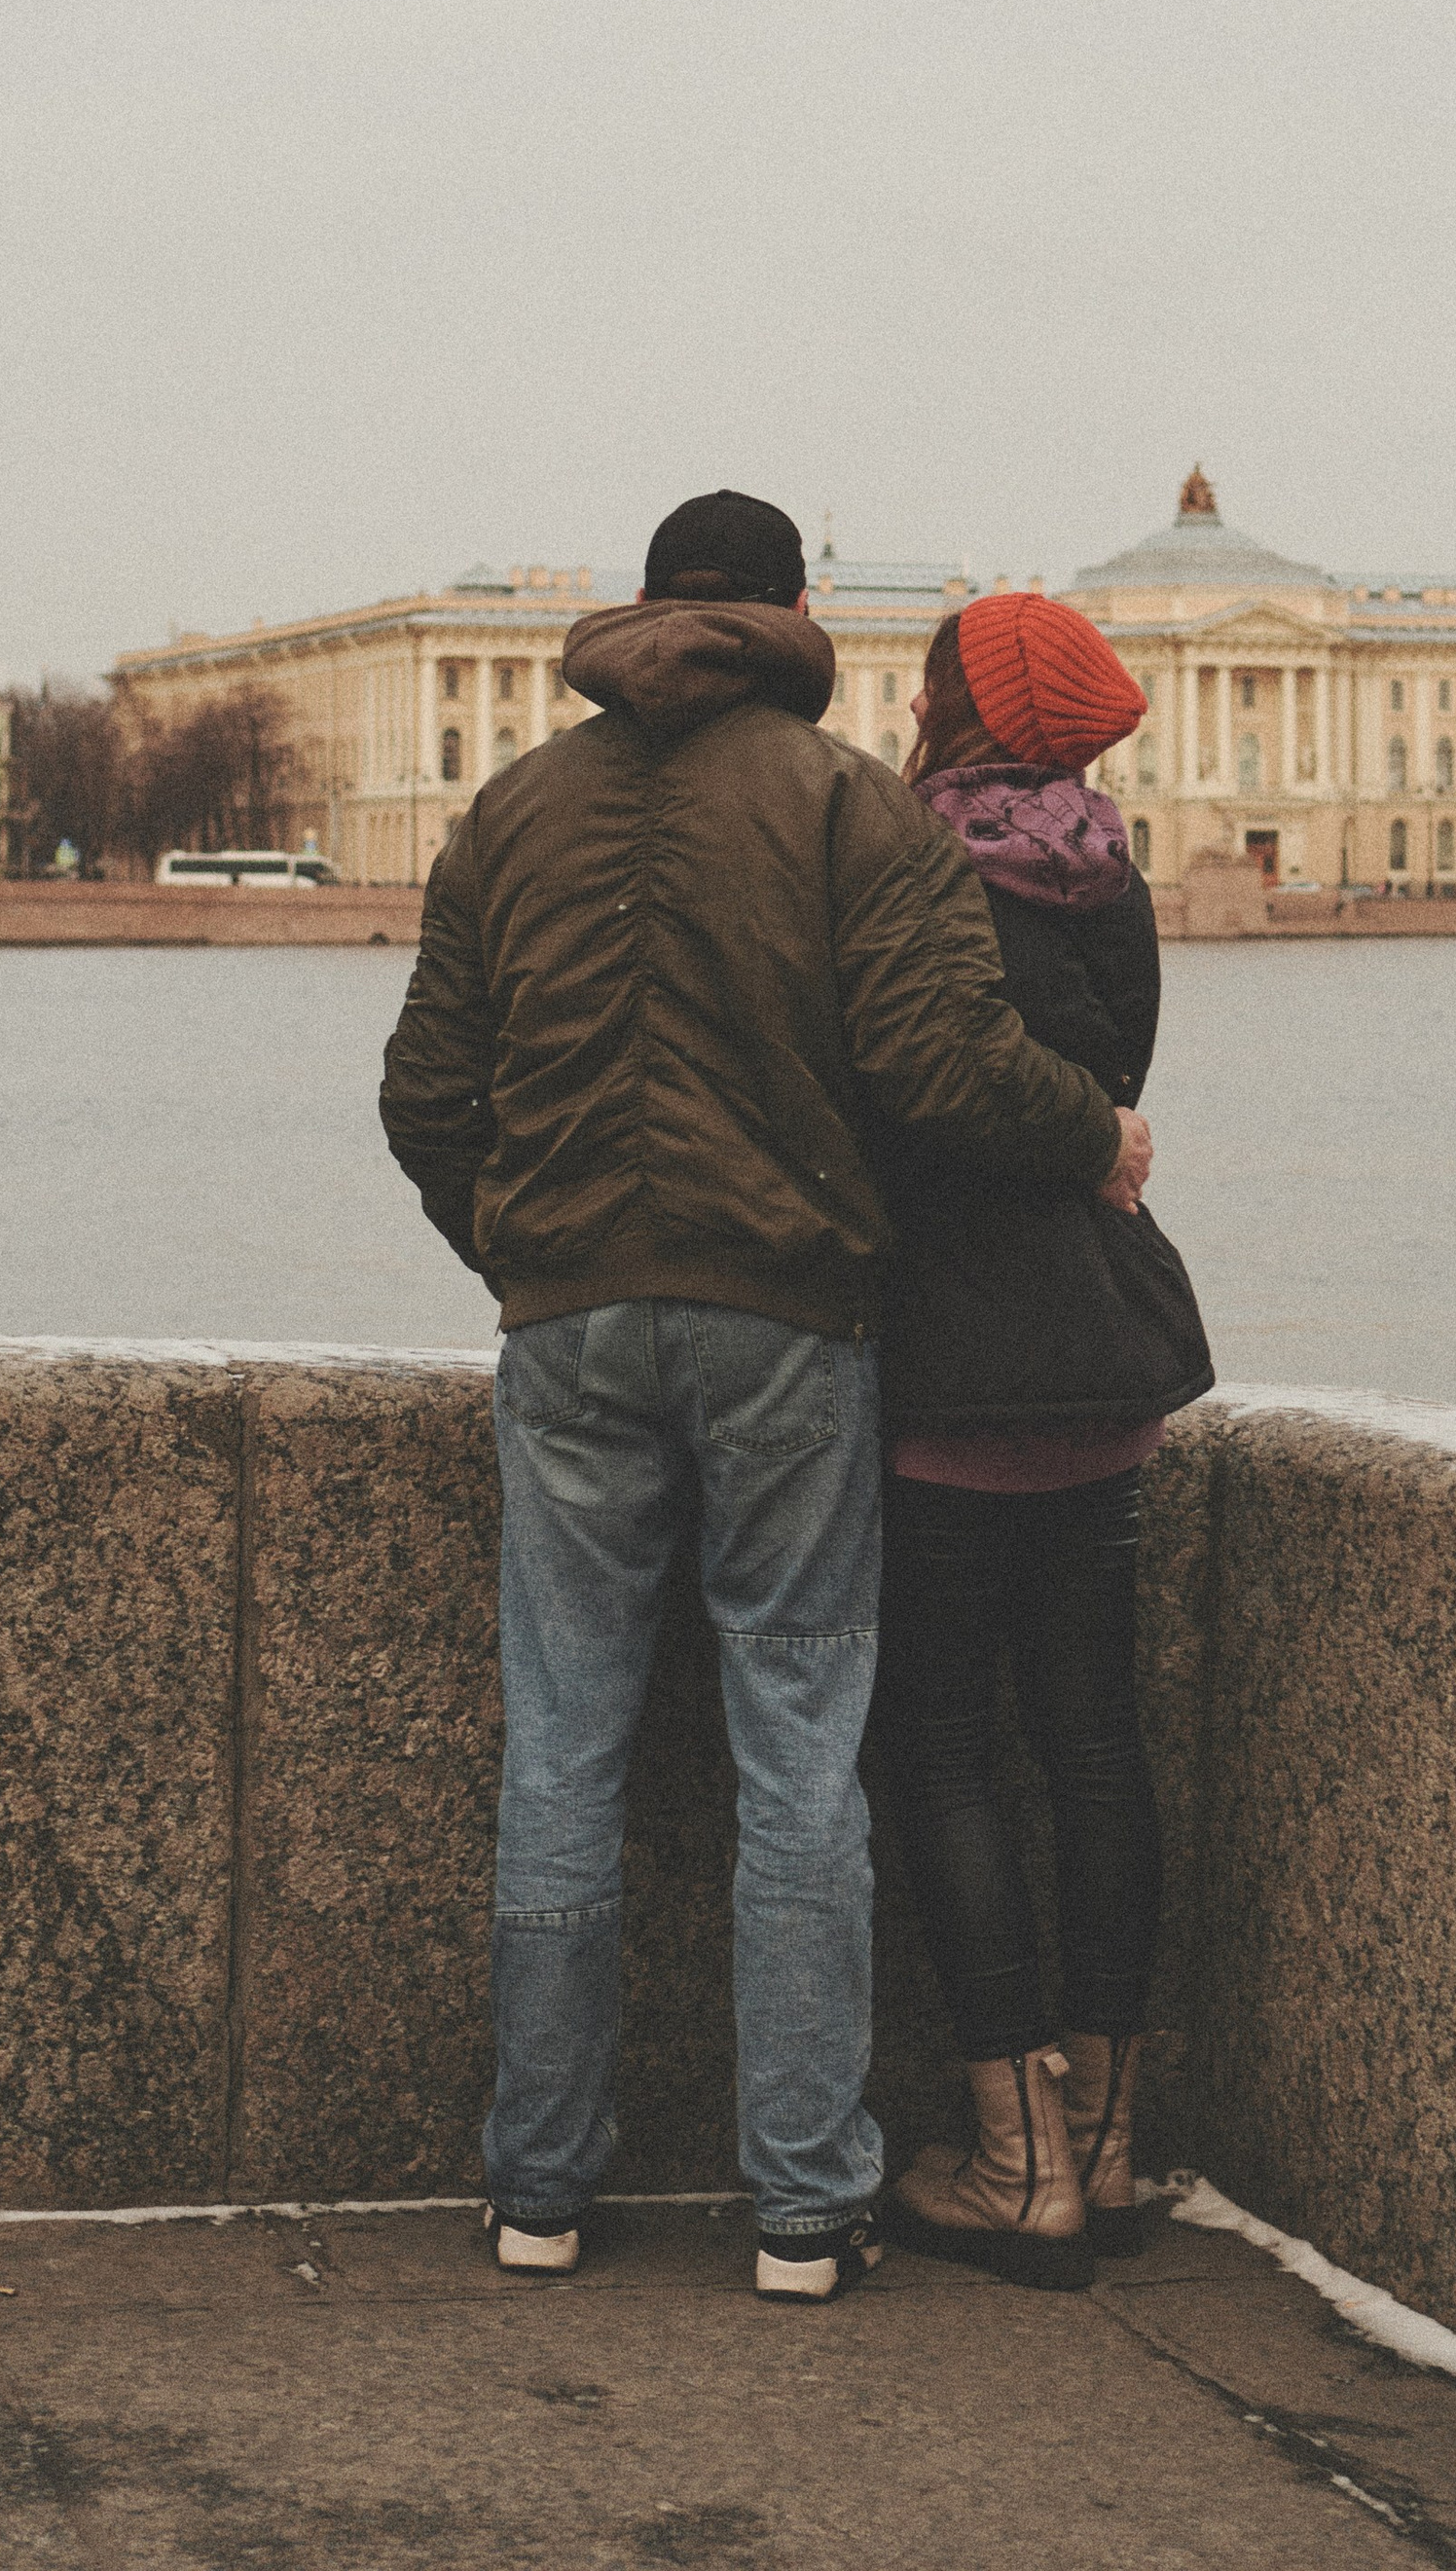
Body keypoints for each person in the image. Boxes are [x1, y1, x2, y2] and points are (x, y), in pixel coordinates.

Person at [379, 492, 1151, 2306]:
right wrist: (1096, 1133)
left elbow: (426, 1091)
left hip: (568, 1325)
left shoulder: (512, 806)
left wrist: (519, 1251)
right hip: (790, 1320)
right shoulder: (842, 799)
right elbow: (940, 1061)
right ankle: (804, 2204)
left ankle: (539, 2194)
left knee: (561, 1751)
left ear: (644, 606)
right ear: (798, 612)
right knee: (799, 1760)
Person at [873, 594, 1212, 2289]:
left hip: (949, 1366)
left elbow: (908, 1093)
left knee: (935, 1749)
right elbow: (1112, 1087)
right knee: (1091, 1745)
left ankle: (1019, 2169)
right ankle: (1114, 2137)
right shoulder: (1111, 863)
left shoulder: (912, 859)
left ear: (965, 707)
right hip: (1105, 1357)